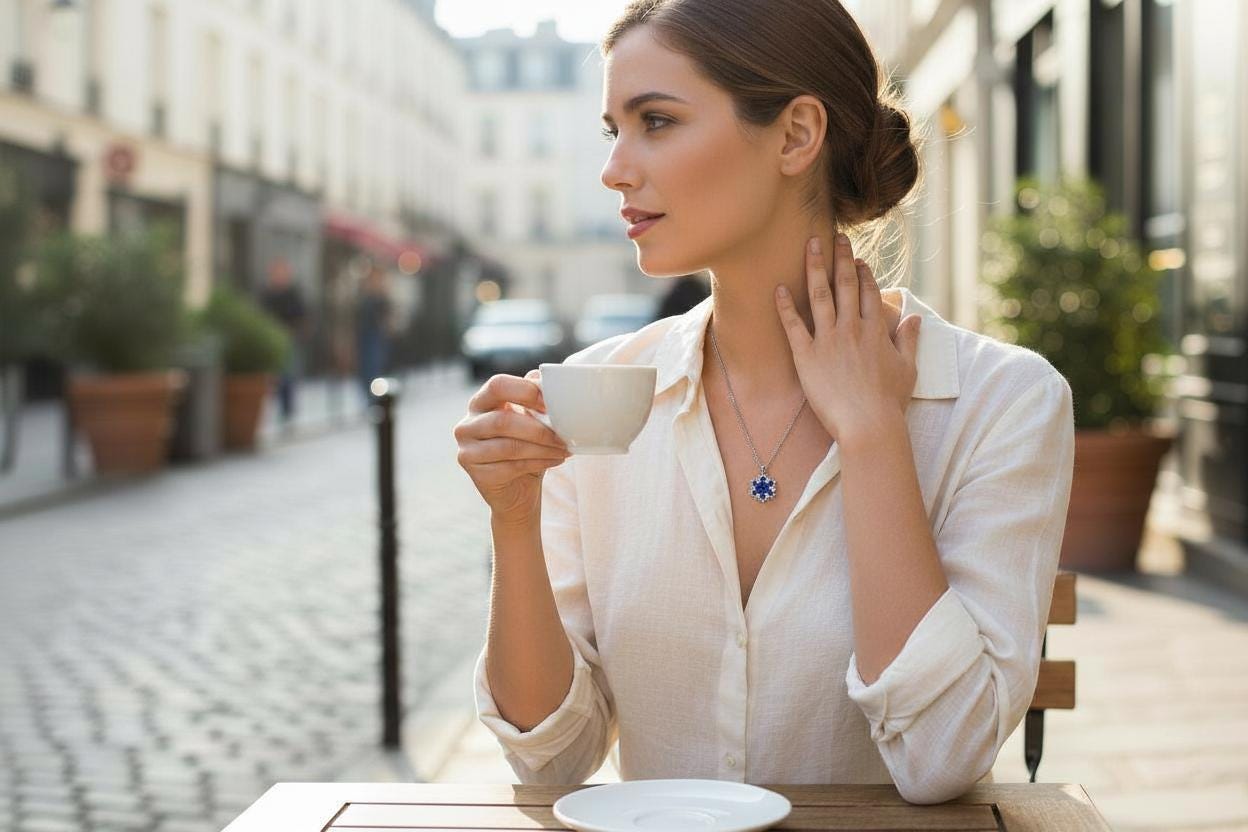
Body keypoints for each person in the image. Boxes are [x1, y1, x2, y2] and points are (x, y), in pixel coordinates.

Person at [452, 0, 1075, 804]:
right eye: (614, 130)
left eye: (658, 121)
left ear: (794, 135)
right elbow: (551, 762)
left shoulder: (1002, 402)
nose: (614, 168)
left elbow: (940, 759)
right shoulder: (595, 397)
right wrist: (513, 518)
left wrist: (873, 432)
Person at [259, 257, 309, 426]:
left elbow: (302, 315)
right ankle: (281, 406)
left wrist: (298, 330)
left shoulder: (293, 293)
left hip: (290, 338)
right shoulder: (267, 294)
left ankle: (288, 407)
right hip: (272, 339)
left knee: (289, 373)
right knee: (277, 374)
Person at [355, 263, 395, 400]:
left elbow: (387, 318)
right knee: (365, 371)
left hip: (376, 337)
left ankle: (374, 399)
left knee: (374, 369)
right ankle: (370, 399)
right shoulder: (364, 296)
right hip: (364, 336)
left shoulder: (381, 298)